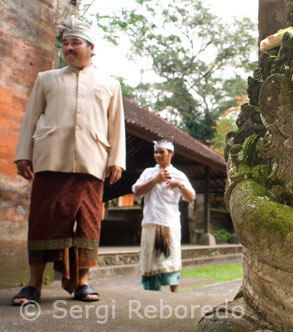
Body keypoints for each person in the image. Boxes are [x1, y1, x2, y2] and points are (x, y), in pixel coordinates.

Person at [12, 16, 126, 305]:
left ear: (91, 47)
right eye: (65, 44)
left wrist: (117, 160)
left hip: (92, 162)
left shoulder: (110, 84)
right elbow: (30, 118)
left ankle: (83, 284)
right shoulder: (46, 79)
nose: (69, 48)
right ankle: (33, 284)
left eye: (75, 43)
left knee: (88, 223)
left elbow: (116, 125)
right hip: (50, 159)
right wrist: (23, 153)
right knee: (41, 221)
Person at [132, 140, 195, 292]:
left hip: (170, 222)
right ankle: (151, 293)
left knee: (171, 257)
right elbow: (137, 191)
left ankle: (174, 294)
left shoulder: (179, 175)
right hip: (150, 221)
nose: (158, 155)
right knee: (150, 258)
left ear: (171, 154)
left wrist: (179, 184)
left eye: (162, 152)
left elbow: (191, 197)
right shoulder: (148, 173)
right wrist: (155, 180)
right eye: (156, 152)